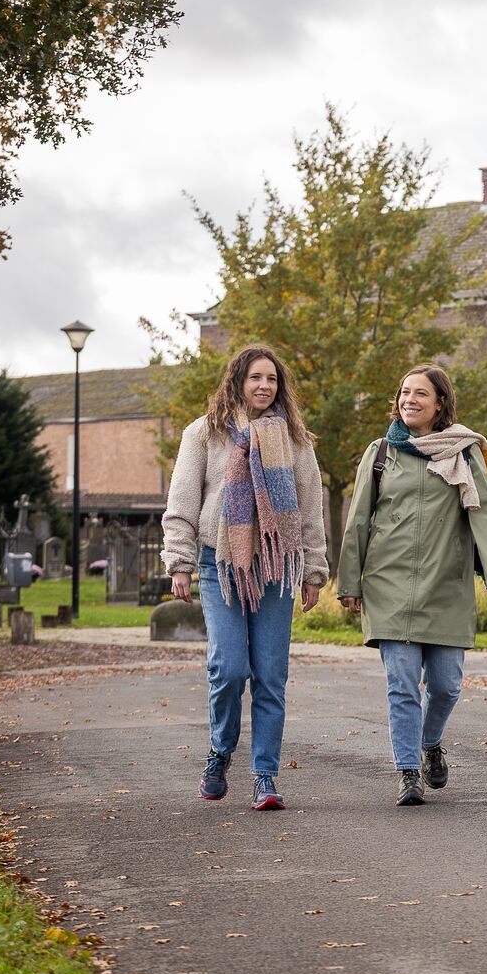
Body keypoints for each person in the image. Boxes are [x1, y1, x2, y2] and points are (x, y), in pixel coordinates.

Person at [162, 345, 328, 810]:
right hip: (220, 566)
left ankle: (265, 777)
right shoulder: (205, 434)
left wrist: (313, 569)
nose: (264, 386)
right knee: (230, 669)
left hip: (275, 566)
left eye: (272, 379)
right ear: (238, 381)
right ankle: (219, 751)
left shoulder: (295, 440)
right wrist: (179, 561)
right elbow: (182, 501)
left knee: (271, 675)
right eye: (255, 377)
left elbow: (311, 509)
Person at [336, 363, 487, 806]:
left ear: (440, 404)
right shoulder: (380, 453)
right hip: (387, 583)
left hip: (445, 583)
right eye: (403, 392)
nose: (409, 400)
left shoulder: (462, 453)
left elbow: (483, 512)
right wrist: (348, 582)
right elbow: (357, 520)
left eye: (420, 394)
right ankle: (408, 770)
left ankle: (430, 742)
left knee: (447, 685)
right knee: (401, 683)